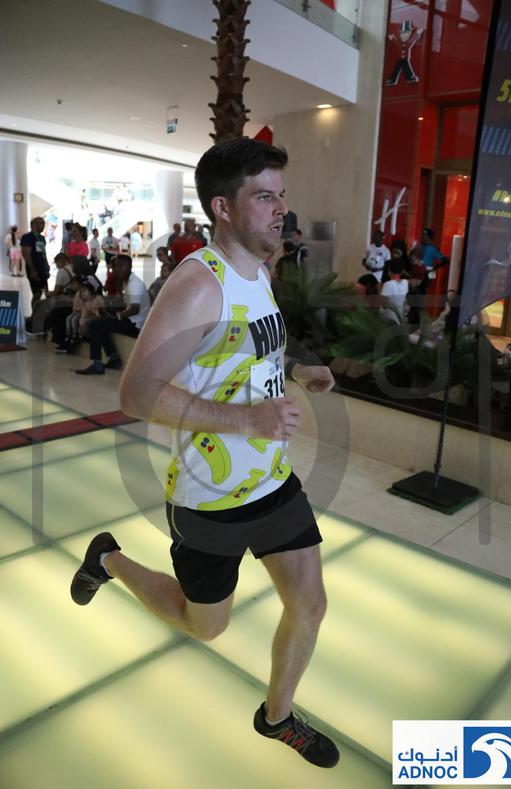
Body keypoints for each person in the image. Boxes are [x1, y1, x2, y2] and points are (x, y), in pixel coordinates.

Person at [70, 137, 339, 769]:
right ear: (223, 207)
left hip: (273, 482)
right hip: (209, 499)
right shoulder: (197, 285)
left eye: (281, 196)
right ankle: (107, 558)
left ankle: (276, 718)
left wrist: (295, 369)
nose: (281, 210)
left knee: (310, 605)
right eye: (265, 197)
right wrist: (247, 418)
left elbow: (246, 349)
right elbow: (137, 393)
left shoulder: (259, 273)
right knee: (205, 625)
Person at [75, 253, 149, 375]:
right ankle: (113, 358)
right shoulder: (128, 281)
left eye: (121, 266)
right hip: (132, 320)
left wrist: (118, 316)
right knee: (101, 323)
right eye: (116, 266)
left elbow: (135, 309)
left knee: (95, 324)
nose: (117, 269)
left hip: (136, 324)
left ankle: (98, 364)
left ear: (129, 267)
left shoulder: (134, 284)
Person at [21, 217, 50, 313]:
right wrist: (32, 270)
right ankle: (34, 315)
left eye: (43, 223)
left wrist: (46, 265)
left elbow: (43, 253)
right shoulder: (27, 237)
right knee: (37, 294)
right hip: (34, 269)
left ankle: (46, 314)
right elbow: (26, 255)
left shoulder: (41, 238)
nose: (43, 225)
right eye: (40, 223)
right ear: (33, 225)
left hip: (42, 269)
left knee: (46, 292)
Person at [380, 257, 409, 323]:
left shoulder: (388, 284)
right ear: (402, 272)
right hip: (400, 314)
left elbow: (384, 304)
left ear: (389, 271)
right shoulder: (405, 282)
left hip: (389, 317)